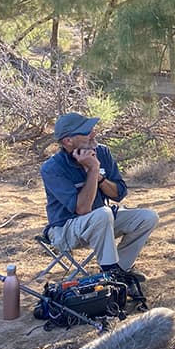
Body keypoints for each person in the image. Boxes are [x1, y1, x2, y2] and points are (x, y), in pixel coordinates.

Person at [40, 112, 159, 279]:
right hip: (66, 229)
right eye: (87, 131)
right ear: (68, 141)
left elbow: (119, 194)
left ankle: (120, 271)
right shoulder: (52, 168)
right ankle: (110, 273)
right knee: (103, 214)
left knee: (148, 217)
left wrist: (99, 177)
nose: (93, 133)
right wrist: (93, 169)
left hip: (103, 221)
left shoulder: (102, 152)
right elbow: (82, 209)